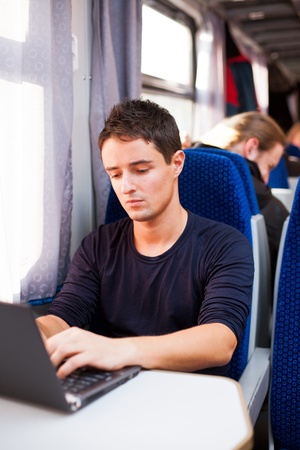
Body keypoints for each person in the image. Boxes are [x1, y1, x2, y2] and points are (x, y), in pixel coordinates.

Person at [36, 99, 254, 379]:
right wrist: (39, 331)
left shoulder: (225, 245)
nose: (126, 187)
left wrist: (117, 351)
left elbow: (219, 341)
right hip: (111, 392)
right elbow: (65, 316)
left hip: (190, 397)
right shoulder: (99, 245)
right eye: (115, 174)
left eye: (141, 170)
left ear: (176, 163)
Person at [190, 111, 289, 282]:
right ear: (251, 147)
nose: (266, 180)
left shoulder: (179, 166)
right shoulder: (266, 202)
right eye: (269, 167)